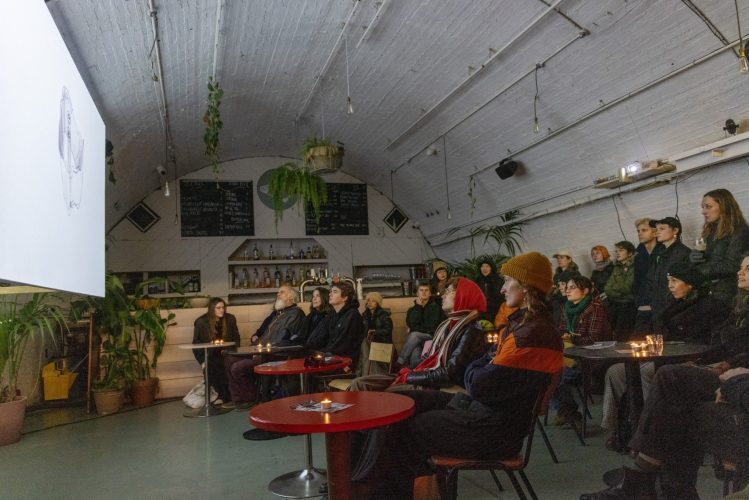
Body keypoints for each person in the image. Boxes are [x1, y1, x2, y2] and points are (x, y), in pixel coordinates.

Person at [350, 252, 563, 498]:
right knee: (400, 404)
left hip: (494, 428)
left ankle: (368, 488)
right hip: (480, 409)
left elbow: (477, 384)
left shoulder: (530, 334)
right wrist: (482, 365)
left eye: (506, 281)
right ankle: (361, 480)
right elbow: (481, 369)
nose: (502, 289)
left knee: (407, 427)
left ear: (526, 287)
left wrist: (480, 366)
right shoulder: (523, 326)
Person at [581, 255, 749, 500]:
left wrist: (732, 373)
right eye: (741, 266)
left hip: (739, 377)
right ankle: (666, 487)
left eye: (747, 268)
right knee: (675, 396)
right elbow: (727, 345)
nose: (739, 272)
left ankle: (641, 475)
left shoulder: (714, 305)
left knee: (670, 377)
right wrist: (707, 363)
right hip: (725, 368)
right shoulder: (739, 306)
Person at [599, 262, 730, 452]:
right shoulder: (670, 304)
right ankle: (619, 428)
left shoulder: (711, 306)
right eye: (669, 280)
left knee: (645, 374)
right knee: (616, 371)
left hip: (691, 358)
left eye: (675, 281)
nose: (670, 285)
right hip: (662, 355)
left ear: (690, 284)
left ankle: (649, 432)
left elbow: (712, 342)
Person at [348, 277, 486, 392]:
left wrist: (410, 376)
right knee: (359, 383)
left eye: (448, 291)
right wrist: (409, 371)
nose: (443, 295)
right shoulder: (447, 325)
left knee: (387, 391)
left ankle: (399, 364)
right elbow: (428, 354)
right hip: (424, 365)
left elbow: (449, 373)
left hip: (436, 380)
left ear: (463, 296)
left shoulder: (471, 330)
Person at [222, 286, 305, 408]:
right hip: (262, 351)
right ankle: (238, 398)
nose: (278, 294)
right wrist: (256, 345)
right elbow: (265, 334)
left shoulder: (296, 314)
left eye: (281, 292)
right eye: (278, 292)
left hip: (274, 356)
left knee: (237, 367)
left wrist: (260, 350)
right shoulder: (278, 313)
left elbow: (280, 339)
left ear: (291, 297)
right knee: (229, 360)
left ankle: (250, 397)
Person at [555, 275, 612, 424]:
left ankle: (567, 410)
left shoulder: (595, 309)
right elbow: (560, 330)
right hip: (572, 354)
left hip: (592, 358)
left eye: (572, 287)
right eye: (567, 287)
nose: (567, 291)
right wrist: (564, 335)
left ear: (585, 290)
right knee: (547, 372)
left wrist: (571, 338)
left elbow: (594, 340)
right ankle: (568, 410)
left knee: (555, 375)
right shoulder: (565, 308)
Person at [692, 188, 749, 307]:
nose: (703, 211)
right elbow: (699, 261)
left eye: (708, 206)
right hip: (711, 290)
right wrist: (696, 255)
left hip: (728, 294)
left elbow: (732, 265)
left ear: (724, 206)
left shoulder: (740, 231)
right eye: (703, 207)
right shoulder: (710, 231)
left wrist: (697, 271)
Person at [192, 298, 241, 404]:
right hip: (210, 354)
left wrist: (236, 354)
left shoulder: (230, 319)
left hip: (227, 353)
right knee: (211, 366)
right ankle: (221, 396)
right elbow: (196, 344)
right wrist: (202, 361)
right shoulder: (201, 322)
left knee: (225, 363)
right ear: (211, 309)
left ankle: (225, 397)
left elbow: (236, 338)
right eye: (218, 308)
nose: (222, 310)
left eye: (223, 307)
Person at [305, 281, 366, 364]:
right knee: (305, 360)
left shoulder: (352, 315)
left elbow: (341, 346)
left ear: (344, 297)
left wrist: (321, 354)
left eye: (335, 292)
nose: (330, 294)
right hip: (332, 356)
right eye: (330, 292)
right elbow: (320, 336)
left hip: (345, 362)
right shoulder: (332, 314)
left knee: (310, 366)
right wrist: (308, 349)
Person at [648, 217, 690, 321]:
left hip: (673, 307)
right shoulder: (660, 253)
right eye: (657, 230)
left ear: (675, 230)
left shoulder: (683, 253)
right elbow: (651, 277)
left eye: (662, 229)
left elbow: (685, 284)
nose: (657, 232)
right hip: (658, 305)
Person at [398, 282, 446, 368]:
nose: (424, 292)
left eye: (426, 290)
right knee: (415, 354)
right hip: (416, 340)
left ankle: (399, 362)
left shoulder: (436, 308)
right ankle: (412, 374)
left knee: (414, 334)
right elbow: (411, 324)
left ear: (430, 293)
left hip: (431, 337)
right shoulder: (412, 310)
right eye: (421, 290)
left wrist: (416, 329)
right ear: (417, 293)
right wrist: (418, 308)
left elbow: (431, 326)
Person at [633, 218, 661, 334]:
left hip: (661, 304)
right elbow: (637, 280)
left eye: (644, 230)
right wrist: (638, 300)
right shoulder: (639, 255)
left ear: (654, 232)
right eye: (638, 231)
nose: (640, 233)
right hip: (643, 303)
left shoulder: (663, 251)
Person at [605, 241, 637, 341]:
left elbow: (627, 287)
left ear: (630, 253)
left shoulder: (635, 266)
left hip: (628, 305)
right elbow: (607, 289)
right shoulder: (617, 267)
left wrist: (615, 287)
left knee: (624, 335)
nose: (617, 253)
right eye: (616, 251)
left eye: (621, 250)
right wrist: (617, 291)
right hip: (615, 304)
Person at [358, 292, 393, 375]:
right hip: (369, 342)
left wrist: (375, 332)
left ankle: (363, 375)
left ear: (378, 302)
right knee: (362, 346)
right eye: (368, 300)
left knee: (364, 347)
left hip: (381, 342)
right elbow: (361, 330)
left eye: (373, 301)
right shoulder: (365, 315)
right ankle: (364, 374)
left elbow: (388, 330)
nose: (370, 303)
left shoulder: (384, 315)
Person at [473, 257, 503, 322]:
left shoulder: (498, 280)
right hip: (480, 313)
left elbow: (501, 298)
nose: (484, 269)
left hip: (496, 312)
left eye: (487, 266)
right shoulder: (477, 281)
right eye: (482, 266)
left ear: (491, 268)